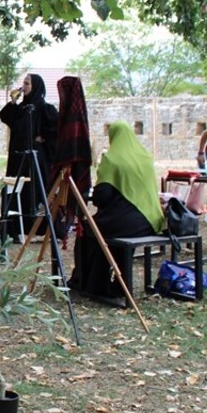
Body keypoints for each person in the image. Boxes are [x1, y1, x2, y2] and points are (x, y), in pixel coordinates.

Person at [69, 121, 166, 303]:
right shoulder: (145, 156)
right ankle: (112, 284)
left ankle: (89, 283)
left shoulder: (112, 159)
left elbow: (102, 196)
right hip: (151, 220)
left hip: (128, 222)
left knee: (88, 230)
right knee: (106, 232)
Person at [0, 73, 58, 242]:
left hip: (36, 159)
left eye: (27, 83)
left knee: (35, 192)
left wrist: (42, 137)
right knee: (16, 190)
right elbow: (5, 116)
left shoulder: (44, 109)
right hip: (18, 158)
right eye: (23, 83)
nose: (23, 86)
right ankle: (15, 229)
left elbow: (55, 129)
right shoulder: (20, 108)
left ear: (36, 86)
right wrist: (13, 102)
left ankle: (40, 229)